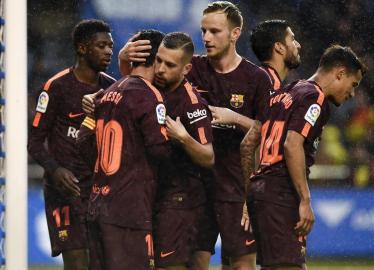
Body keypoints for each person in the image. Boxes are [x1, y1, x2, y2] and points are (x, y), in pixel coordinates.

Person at [115, 2, 272, 269]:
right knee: (195, 263)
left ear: (235, 34)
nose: (207, 38)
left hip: (234, 187)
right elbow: (138, 88)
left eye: (215, 31)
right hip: (195, 189)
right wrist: (122, 58)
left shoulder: (256, 78)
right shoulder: (189, 66)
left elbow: (270, 132)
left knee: (241, 265)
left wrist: (234, 118)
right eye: (204, 31)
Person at [240, 45, 366, 270]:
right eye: (353, 84)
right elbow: (292, 144)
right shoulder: (314, 97)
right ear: (340, 73)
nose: (352, 93)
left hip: (263, 193)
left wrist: (253, 187)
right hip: (280, 193)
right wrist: (305, 200)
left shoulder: (285, 93)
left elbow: (248, 144)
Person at [27, 19, 115, 270]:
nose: (108, 51)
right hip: (64, 190)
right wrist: (55, 170)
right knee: (76, 263)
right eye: (101, 46)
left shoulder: (111, 88)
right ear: (82, 48)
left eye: (110, 45)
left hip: (97, 191)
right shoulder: (57, 87)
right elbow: (33, 142)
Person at [79, 29, 169, 270]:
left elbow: (83, 140)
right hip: (128, 210)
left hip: (98, 204)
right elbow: (159, 151)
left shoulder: (107, 93)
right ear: (158, 58)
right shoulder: (149, 95)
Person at [152, 32, 214, 270]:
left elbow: (208, 157)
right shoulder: (153, 86)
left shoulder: (192, 104)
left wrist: (183, 137)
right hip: (156, 195)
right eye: (158, 60)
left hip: (181, 200)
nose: (160, 69)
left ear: (186, 69)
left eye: (169, 65)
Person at [250, 19, 301, 93]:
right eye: (292, 39)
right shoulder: (267, 87)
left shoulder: (256, 80)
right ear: (279, 47)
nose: (298, 45)